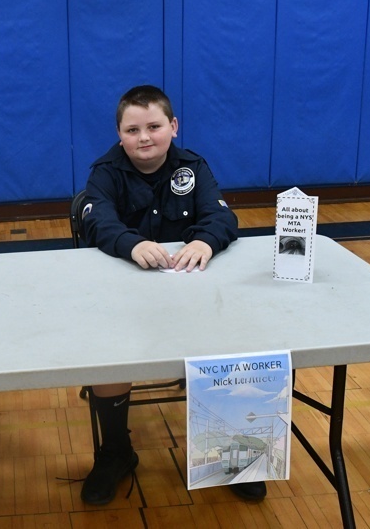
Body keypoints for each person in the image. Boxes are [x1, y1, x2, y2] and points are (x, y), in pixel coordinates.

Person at [79, 85, 265, 505]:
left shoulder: (193, 167)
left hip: (189, 294)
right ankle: (115, 453)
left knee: (234, 342)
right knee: (107, 355)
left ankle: (233, 454)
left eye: (154, 126)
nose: (144, 137)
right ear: (119, 133)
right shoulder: (104, 172)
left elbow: (222, 216)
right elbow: (98, 222)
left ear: (173, 127)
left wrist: (205, 242)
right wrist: (131, 243)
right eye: (132, 129)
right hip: (123, 297)